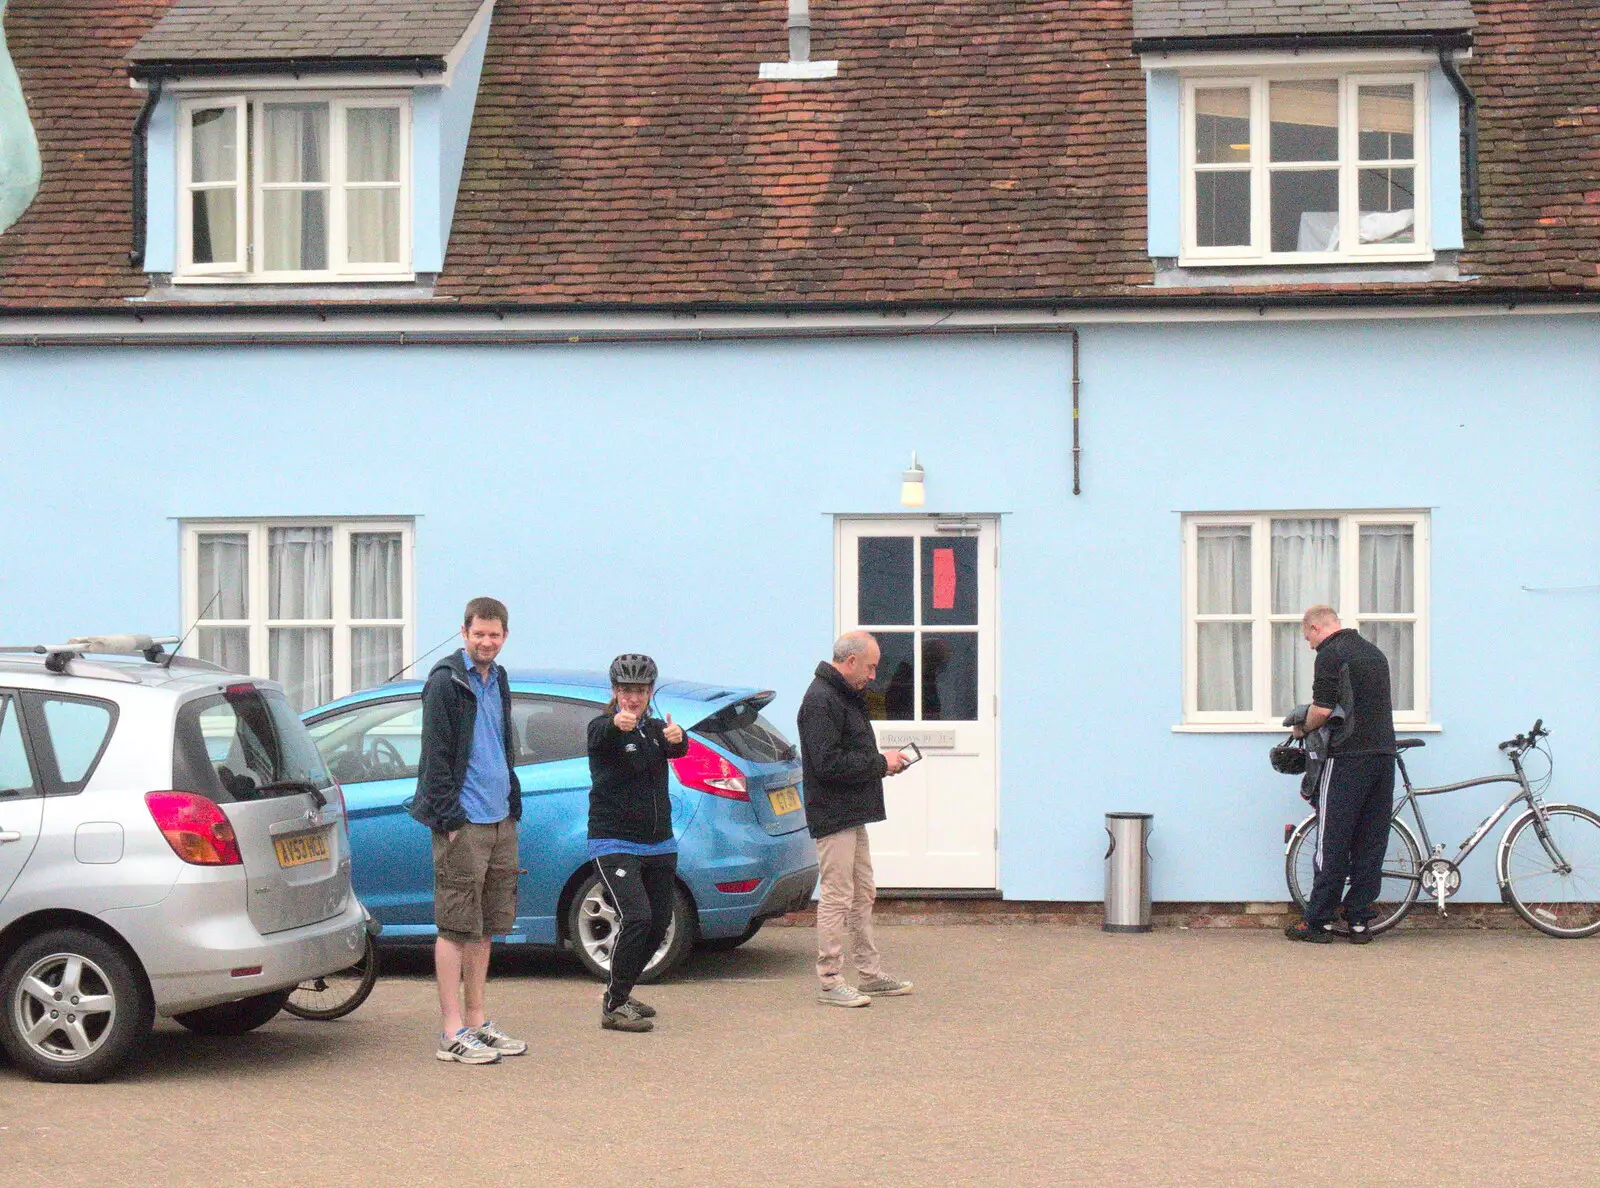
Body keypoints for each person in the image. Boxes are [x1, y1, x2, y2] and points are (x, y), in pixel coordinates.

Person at [410, 597, 527, 1063]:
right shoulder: (445, 684)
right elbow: (435, 756)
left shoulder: (498, 679)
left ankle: (477, 1021)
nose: (486, 642)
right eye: (479, 633)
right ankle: (451, 1031)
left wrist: (511, 804)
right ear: (464, 632)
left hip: (500, 820)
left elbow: (502, 745)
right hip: (463, 823)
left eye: (494, 635)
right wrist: (450, 820)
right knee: (455, 927)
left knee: (485, 929)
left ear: (504, 636)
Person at [797, 631, 914, 1007]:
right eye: (870, 667)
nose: (873, 676)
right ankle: (830, 982)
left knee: (863, 893)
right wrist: (881, 764)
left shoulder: (844, 696)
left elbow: (845, 754)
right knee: (836, 896)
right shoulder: (820, 700)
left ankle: (869, 974)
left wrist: (882, 763)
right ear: (849, 663)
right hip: (833, 815)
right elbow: (827, 763)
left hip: (852, 812)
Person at [587, 653, 688, 1032]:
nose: (633, 698)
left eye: (640, 691)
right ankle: (613, 1006)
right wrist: (616, 724)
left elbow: (676, 750)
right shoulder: (602, 726)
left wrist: (681, 739)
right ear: (615, 692)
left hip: (659, 843)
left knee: (659, 923)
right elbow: (602, 735)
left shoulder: (653, 729)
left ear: (650, 693)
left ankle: (623, 991)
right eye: (626, 691)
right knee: (637, 916)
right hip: (613, 840)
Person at [1286, 604, 1397, 945]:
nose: (1309, 645)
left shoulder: (1331, 654)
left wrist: (1303, 729)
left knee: (1332, 840)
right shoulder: (1375, 654)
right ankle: (1360, 921)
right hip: (1383, 756)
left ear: (1317, 629)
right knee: (1371, 841)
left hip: (1348, 758)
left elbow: (1322, 709)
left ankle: (1318, 921)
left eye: (1308, 637)